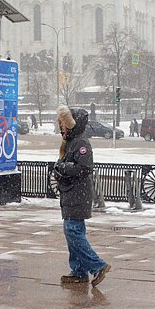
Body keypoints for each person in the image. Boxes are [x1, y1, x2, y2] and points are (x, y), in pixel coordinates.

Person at [51, 105, 111, 286]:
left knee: (73, 232)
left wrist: (63, 168)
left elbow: (84, 168)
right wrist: (60, 169)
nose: (60, 126)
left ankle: (97, 265)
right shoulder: (70, 142)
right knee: (72, 233)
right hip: (70, 195)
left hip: (78, 195)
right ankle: (78, 270)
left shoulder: (81, 143)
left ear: (70, 123)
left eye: (62, 122)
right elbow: (64, 166)